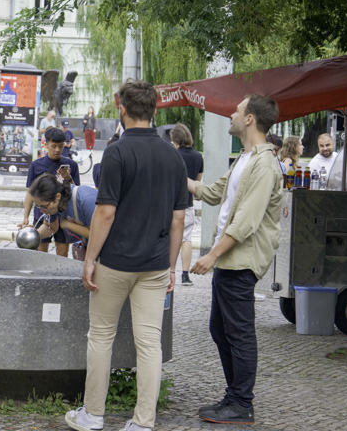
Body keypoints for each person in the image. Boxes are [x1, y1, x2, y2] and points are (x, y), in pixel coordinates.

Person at [65, 80, 187, 431]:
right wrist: (171, 265)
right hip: (154, 264)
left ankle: (92, 415)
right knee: (149, 344)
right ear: (154, 110)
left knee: (101, 336)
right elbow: (178, 219)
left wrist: (90, 259)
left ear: (122, 107)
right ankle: (143, 422)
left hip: (116, 261)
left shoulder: (117, 152)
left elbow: (105, 213)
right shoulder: (172, 156)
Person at [188, 94, 283, 425]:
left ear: (250, 119)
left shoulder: (265, 165)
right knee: (220, 329)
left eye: (237, 110)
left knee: (239, 333)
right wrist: (177, 176)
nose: (230, 113)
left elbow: (246, 222)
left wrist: (211, 255)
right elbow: (215, 193)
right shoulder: (246, 158)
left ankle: (241, 402)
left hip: (239, 261)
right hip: (230, 260)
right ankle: (234, 396)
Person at [20, 127, 81, 257]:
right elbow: (30, 193)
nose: (58, 150)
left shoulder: (71, 165)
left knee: (62, 253)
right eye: (53, 146)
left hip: (63, 215)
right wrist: (25, 217)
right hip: (42, 213)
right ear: (45, 144)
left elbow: (76, 192)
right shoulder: (36, 165)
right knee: (41, 252)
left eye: (61, 146)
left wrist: (68, 178)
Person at [170, 123, 203, 287]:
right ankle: (185, 275)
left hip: (171, 202)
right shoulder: (198, 156)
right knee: (186, 239)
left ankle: (169, 271)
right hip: (188, 202)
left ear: (176, 139)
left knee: (169, 237)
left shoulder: (173, 155)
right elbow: (198, 182)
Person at [28, 173, 98, 247]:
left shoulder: (86, 200)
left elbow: (97, 235)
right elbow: (50, 227)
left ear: (57, 196)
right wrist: (34, 234)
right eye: (38, 206)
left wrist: (68, 224)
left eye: (44, 206)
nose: (41, 211)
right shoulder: (54, 204)